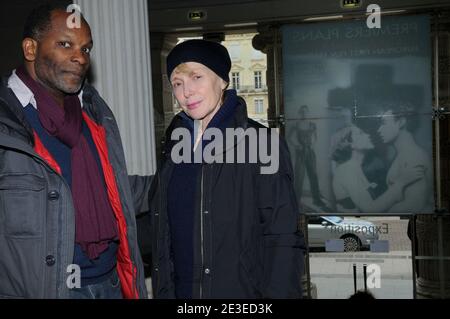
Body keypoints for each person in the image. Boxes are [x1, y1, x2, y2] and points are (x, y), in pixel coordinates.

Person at [0, 4, 151, 299]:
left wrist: (177, 176)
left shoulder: (94, 113)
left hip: (109, 283)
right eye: (65, 44)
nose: (80, 58)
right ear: (31, 48)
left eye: (86, 49)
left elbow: (113, 188)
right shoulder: (7, 118)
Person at [149, 39, 305, 299]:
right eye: (177, 83)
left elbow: (282, 238)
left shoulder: (262, 143)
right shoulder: (174, 145)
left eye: (196, 77)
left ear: (222, 80)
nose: (186, 92)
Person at [331, 125, 424, 214]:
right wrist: (401, 182)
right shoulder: (346, 170)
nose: (368, 135)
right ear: (350, 144)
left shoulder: (356, 168)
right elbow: (370, 209)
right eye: (361, 133)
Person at [377, 101, 433, 213]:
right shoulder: (404, 154)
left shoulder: (412, 156)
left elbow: (414, 206)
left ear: (401, 122)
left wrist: (385, 214)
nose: (379, 129)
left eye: (383, 123)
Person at [288, 105, 326, 208]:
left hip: (310, 152)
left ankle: (316, 200)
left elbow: (316, 138)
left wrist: (312, 145)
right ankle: (296, 201)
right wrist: (297, 146)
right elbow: (289, 138)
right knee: (299, 176)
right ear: (300, 113)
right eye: (302, 112)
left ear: (308, 113)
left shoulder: (312, 125)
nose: (304, 113)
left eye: (306, 112)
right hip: (300, 153)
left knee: (313, 175)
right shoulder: (296, 124)